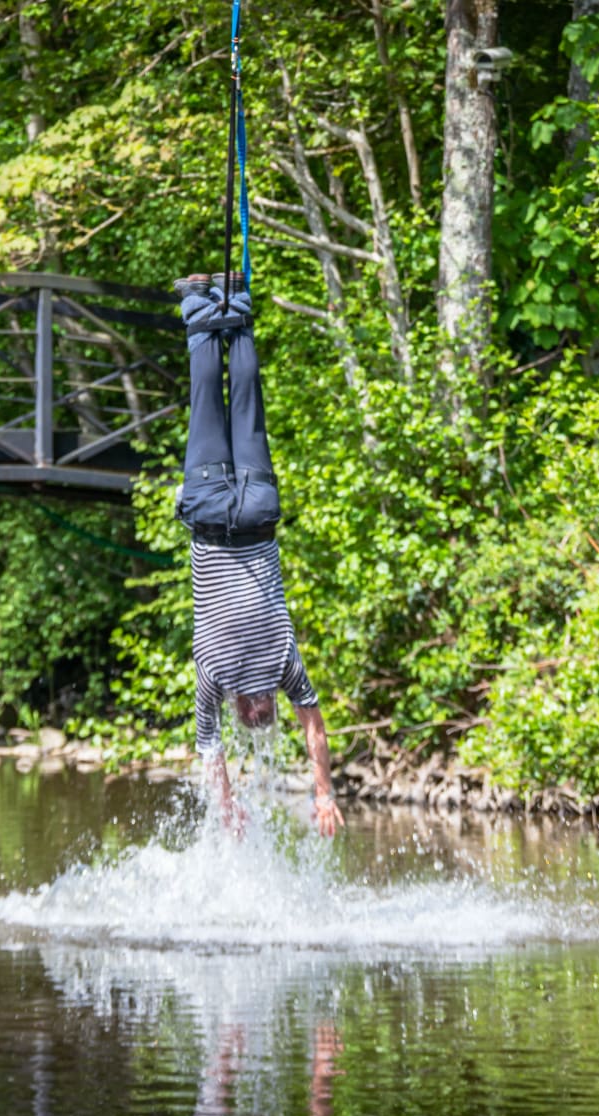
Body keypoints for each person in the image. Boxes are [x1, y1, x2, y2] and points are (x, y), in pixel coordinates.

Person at [175, 270, 344, 838]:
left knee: (247, 407)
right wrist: (227, 809)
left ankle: (237, 306)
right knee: (207, 402)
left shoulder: (283, 664)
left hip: (257, 514)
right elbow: (210, 753)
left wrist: (325, 792)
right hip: (208, 515)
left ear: (266, 701)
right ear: (245, 708)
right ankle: (199, 304)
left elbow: (314, 723)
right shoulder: (214, 678)